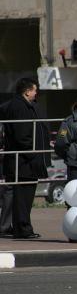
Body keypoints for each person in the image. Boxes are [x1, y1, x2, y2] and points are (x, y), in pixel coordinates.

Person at [2, 77, 51, 239]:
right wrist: (33, 152)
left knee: (23, 198)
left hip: (24, 161)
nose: (36, 93)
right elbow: (22, 136)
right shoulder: (20, 107)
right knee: (23, 198)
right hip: (24, 162)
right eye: (35, 90)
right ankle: (23, 229)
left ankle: (21, 228)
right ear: (27, 91)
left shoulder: (21, 105)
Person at [0, 100, 13, 238]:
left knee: (8, 192)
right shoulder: (4, 125)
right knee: (8, 192)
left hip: (5, 162)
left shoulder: (6, 125)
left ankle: (5, 225)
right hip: (4, 161)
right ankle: (4, 225)